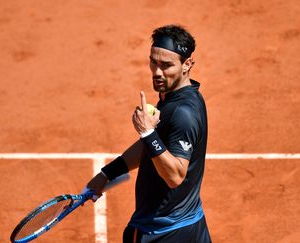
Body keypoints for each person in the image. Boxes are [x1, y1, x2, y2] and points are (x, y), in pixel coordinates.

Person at [85, 24, 211, 243]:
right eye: (153, 61)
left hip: (161, 232)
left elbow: (175, 176)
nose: (157, 72)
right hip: (192, 225)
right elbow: (150, 146)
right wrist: (108, 173)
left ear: (187, 64)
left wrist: (148, 133)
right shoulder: (180, 97)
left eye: (166, 65)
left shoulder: (182, 113)